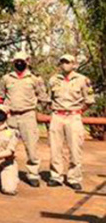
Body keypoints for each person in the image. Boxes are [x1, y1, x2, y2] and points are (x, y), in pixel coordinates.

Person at [0, 51, 48, 187]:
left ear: (28, 61)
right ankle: (4, 171)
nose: (19, 63)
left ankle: (33, 174)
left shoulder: (35, 79)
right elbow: (0, 96)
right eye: (16, 61)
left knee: (31, 146)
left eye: (22, 60)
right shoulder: (6, 78)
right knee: (5, 145)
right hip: (11, 116)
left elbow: (43, 96)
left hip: (28, 116)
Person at [47, 53, 94, 190]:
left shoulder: (82, 80)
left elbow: (89, 100)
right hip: (57, 115)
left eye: (68, 62)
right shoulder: (53, 80)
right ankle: (56, 176)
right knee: (55, 148)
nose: (65, 64)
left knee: (75, 149)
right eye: (62, 62)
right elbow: (49, 99)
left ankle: (74, 177)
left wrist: (78, 111)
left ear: (74, 64)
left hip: (74, 116)